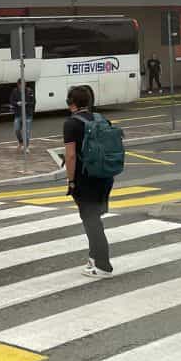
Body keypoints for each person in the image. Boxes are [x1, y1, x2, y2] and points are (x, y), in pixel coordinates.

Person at [63, 84, 114, 278]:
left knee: (91, 221)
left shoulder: (71, 123)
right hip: (105, 176)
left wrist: (71, 181)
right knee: (94, 218)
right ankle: (94, 259)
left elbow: (70, 156)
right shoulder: (102, 119)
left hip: (85, 179)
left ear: (72, 103)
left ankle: (103, 266)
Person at [9, 79, 36, 152]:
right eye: (21, 84)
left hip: (28, 114)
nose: (22, 86)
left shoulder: (29, 91)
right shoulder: (15, 91)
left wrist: (26, 103)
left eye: (24, 84)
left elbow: (33, 101)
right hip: (18, 114)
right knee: (17, 129)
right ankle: (21, 142)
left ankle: (26, 147)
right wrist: (17, 103)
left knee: (27, 131)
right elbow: (11, 101)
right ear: (18, 85)